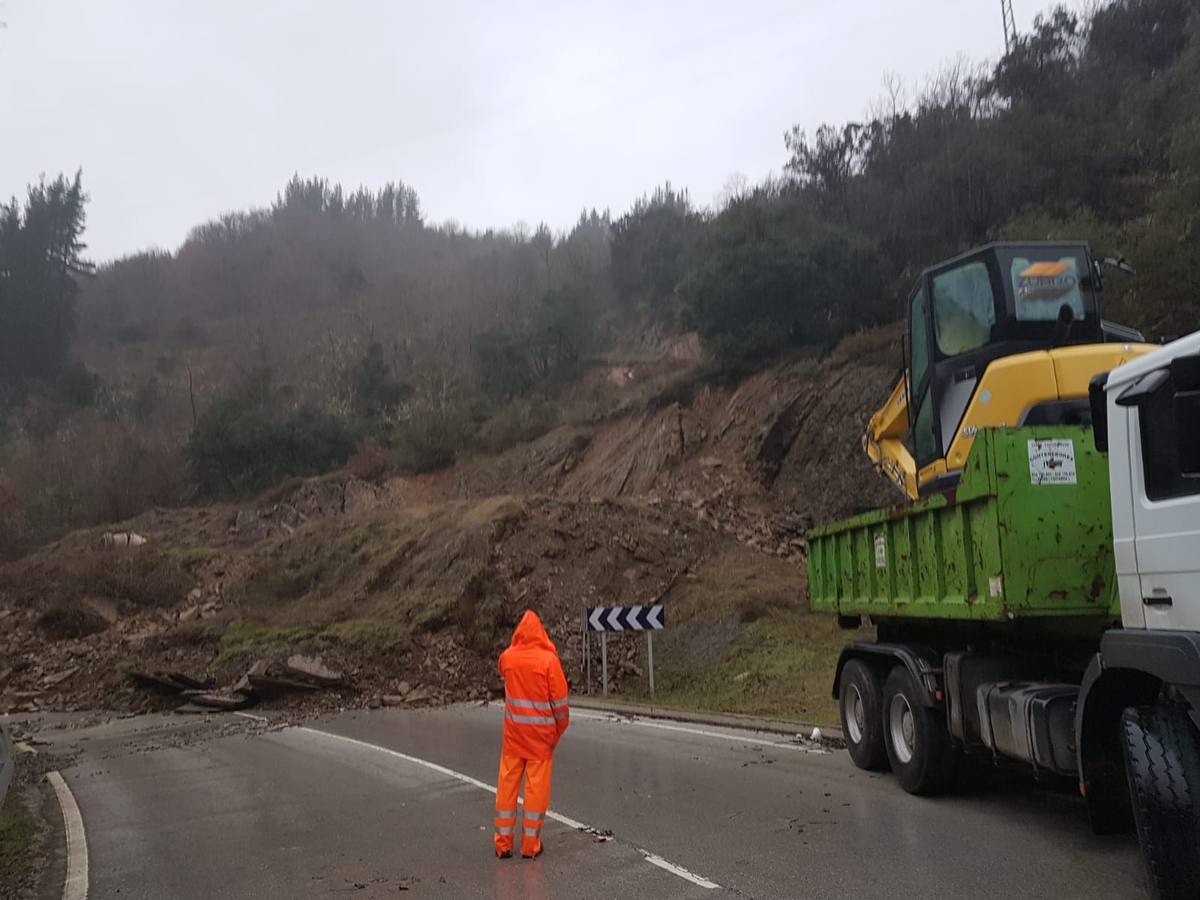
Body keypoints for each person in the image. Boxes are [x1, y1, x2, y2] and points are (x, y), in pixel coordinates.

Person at [493, 610, 570, 860]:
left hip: (514, 738)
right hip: (540, 740)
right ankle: (530, 846)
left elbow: (502, 667)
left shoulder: (508, 658)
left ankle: (503, 844)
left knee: (507, 788)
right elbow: (560, 706)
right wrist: (556, 733)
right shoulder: (549, 662)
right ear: (541, 633)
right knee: (536, 792)